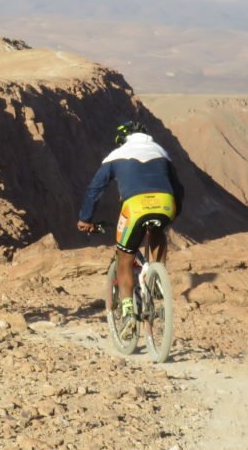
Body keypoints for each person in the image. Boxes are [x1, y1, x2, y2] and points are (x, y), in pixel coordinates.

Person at [77, 121, 184, 337]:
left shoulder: (116, 155)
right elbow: (178, 188)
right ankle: (156, 275)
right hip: (166, 203)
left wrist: (85, 219)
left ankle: (127, 314)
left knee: (124, 257)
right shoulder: (161, 152)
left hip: (135, 207)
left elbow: (94, 189)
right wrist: (173, 213)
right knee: (157, 231)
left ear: (122, 139)